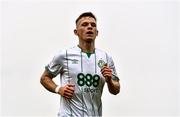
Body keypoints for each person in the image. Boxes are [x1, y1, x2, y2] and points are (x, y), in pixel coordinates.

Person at [40, 12, 120, 117]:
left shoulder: (106, 58)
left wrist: (109, 80)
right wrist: (58, 89)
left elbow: (116, 89)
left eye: (93, 25)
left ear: (97, 32)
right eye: (84, 24)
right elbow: (44, 78)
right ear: (76, 32)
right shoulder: (64, 55)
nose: (90, 27)